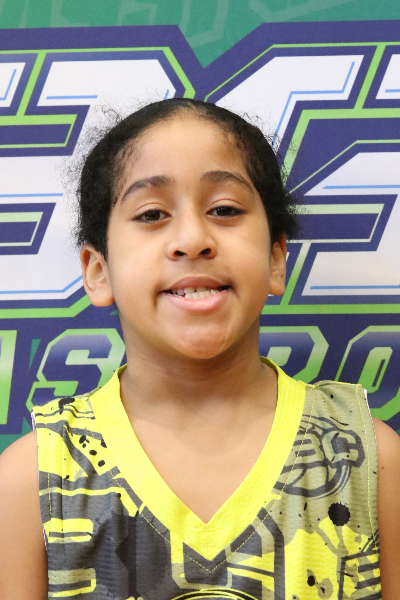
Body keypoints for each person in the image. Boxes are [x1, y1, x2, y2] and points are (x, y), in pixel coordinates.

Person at [0, 98, 399, 600]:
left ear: (276, 259)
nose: (192, 239)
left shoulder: (369, 461)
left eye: (224, 210)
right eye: (152, 214)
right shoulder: (33, 479)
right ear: (99, 272)